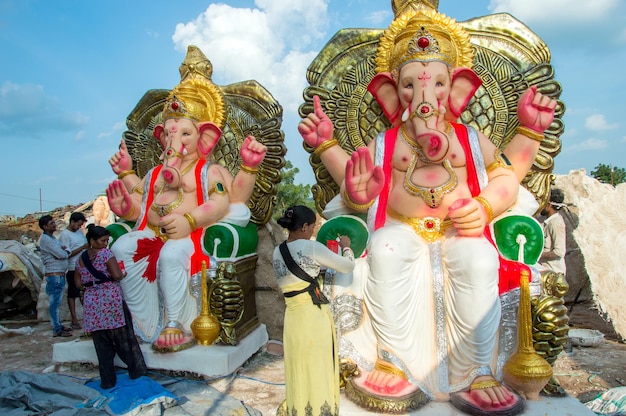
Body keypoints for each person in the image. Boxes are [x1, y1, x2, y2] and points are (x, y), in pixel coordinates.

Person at [297, 5, 557, 415]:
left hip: (460, 231)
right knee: (385, 251)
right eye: (409, 87)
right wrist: (337, 160)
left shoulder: (469, 138)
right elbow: (359, 182)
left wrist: (489, 199)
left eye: (437, 85)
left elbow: (508, 177)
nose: (424, 99)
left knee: (478, 259)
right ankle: (393, 361)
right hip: (402, 227)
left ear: (457, 90)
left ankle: (476, 371)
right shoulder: (386, 142)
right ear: (389, 92)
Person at [106, 65, 267, 351]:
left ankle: (176, 323)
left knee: (170, 255)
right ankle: (142, 321)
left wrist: (190, 220)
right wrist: (127, 209)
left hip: (191, 238)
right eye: (168, 134)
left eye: (184, 134)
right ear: (161, 136)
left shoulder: (208, 172)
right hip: (155, 234)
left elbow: (222, 202)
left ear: (204, 138)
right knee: (121, 249)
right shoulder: (155, 174)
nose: (174, 142)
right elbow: (144, 208)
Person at [273, 205, 355, 416]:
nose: (313, 231)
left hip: (292, 317)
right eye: (313, 226)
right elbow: (347, 266)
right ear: (304, 226)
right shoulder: (310, 247)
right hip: (313, 317)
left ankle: (299, 410)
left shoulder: (277, 251)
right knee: (318, 368)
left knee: (298, 367)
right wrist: (346, 247)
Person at [75, 224, 147, 390]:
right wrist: (122, 274)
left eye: (107, 240)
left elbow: (78, 283)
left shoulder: (80, 259)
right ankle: (136, 372)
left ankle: (107, 381)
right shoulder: (106, 254)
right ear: (92, 240)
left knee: (101, 343)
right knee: (123, 338)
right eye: (103, 240)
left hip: (92, 302)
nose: (106, 244)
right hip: (110, 299)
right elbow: (116, 275)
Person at [38, 215, 72, 337]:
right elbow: (61, 253)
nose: (54, 225)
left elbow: (64, 250)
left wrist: (65, 251)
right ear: (45, 226)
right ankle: (56, 328)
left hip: (58, 273)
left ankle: (57, 325)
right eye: (51, 223)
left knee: (56, 302)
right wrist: (65, 252)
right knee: (54, 302)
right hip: (55, 274)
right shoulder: (46, 240)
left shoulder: (52, 238)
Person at [59, 212, 88, 330]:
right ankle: (74, 319)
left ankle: (87, 317)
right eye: (78, 225)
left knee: (84, 292)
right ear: (72, 222)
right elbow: (66, 254)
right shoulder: (65, 235)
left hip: (83, 266)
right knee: (73, 293)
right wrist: (82, 248)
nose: (79, 227)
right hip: (72, 268)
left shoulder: (79, 232)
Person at [539, 188, 567, 274]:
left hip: (553, 276)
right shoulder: (547, 222)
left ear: (549, 205)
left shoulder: (556, 223)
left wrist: (537, 255)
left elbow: (559, 252)